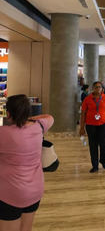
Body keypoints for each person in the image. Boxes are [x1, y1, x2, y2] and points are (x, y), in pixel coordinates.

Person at [0, 95, 54, 231]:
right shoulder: (39, 127)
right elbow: (49, 117)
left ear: (8, 113)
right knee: (26, 228)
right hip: (34, 190)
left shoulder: (3, 133)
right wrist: (27, 119)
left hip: (9, 193)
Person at [79, 81, 105, 173]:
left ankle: (103, 159)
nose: (98, 89)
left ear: (102, 88)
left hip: (103, 124)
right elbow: (83, 114)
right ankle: (95, 165)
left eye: (99, 87)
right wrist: (81, 128)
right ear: (93, 88)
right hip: (90, 125)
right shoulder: (87, 99)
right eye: (96, 87)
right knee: (93, 145)